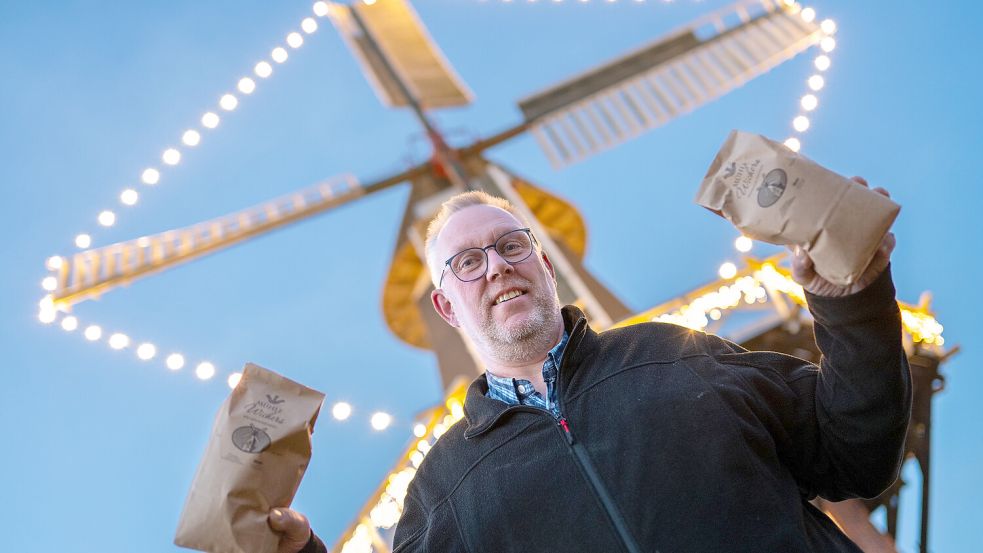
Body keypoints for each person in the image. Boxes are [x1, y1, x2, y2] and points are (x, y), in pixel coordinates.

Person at [269, 180, 911, 552]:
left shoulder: (676, 356)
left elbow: (857, 452)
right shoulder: (445, 489)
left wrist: (851, 305)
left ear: (544, 265)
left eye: (511, 245)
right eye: (467, 262)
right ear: (445, 305)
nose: (497, 267)